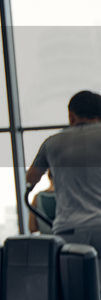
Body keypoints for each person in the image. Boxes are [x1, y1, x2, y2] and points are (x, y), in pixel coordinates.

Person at [26, 91, 101, 257]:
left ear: (71, 116)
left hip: (69, 230)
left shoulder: (52, 142)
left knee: (74, 280)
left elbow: (30, 178)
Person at [27, 170, 56, 234]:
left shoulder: (37, 198)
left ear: (48, 177)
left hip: (47, 241)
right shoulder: (68, 197)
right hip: (67, 240)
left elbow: (32, 227)